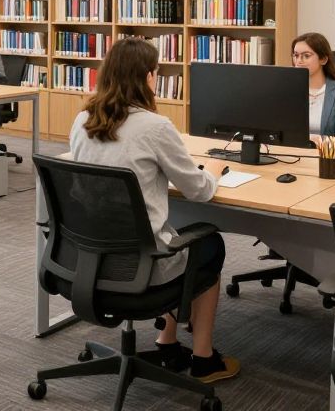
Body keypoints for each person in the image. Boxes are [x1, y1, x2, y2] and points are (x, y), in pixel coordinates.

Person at [69, 37, 240, 383]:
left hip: (87, 258)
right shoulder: (155, 126)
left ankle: (167, 342)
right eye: (156, 72)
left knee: (173, 235)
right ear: (148, 77)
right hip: (141, 266)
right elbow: (199, 190)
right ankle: (204, 359)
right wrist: (212, 171)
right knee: (209, 244)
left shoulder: (82, 119)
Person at [291, 32, 335, 143]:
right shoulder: (288, 90)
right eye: (296, 55)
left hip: (325, 152)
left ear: (323, 59)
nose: (299, 61)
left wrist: (313, 140)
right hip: (289, 151)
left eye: (306, 56)